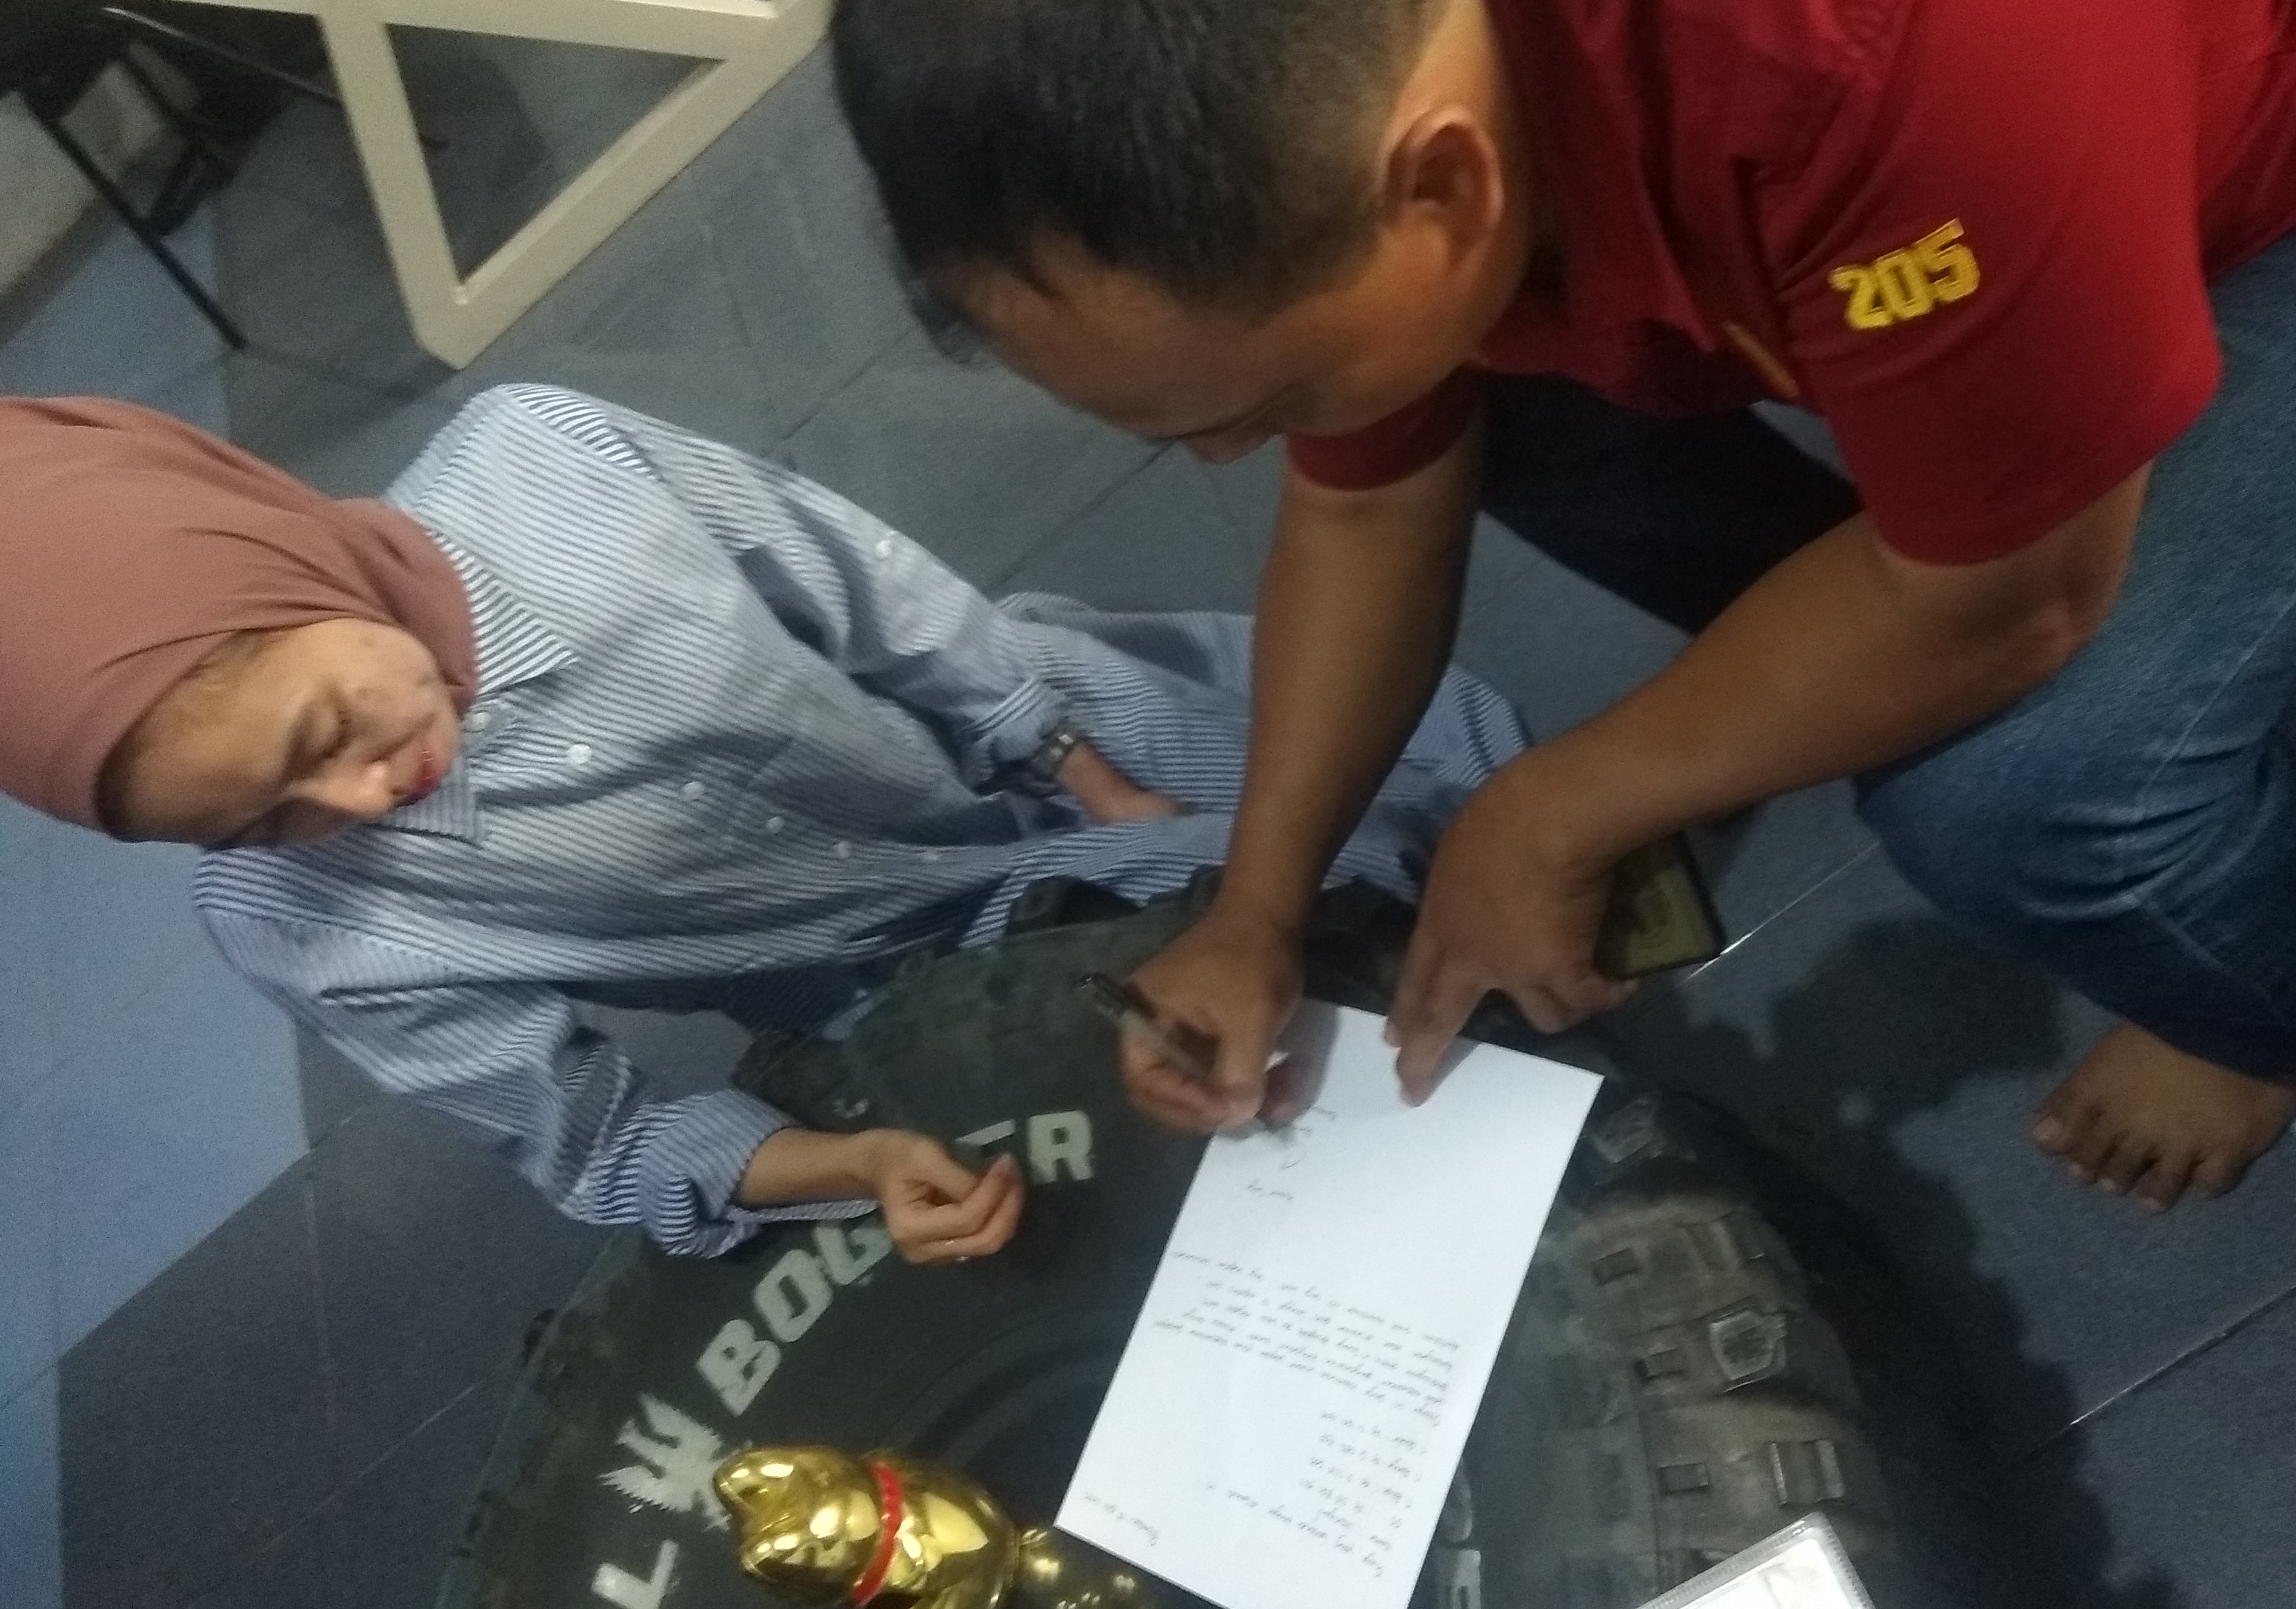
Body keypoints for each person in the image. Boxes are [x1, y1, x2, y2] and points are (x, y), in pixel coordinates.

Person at [826, 0, 2296, 1208]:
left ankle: (2292, 979)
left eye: (1260, 400)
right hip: (2037, 100)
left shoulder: (1886, 5)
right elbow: (1370, 501)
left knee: (2013, 791)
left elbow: (2018, 596)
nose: (1237, 461)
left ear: (1444, 178)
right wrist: (1256, 907)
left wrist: (1557, 801)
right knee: (1483, 413)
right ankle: (1869, 597)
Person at [0, 386, 1522, 1259]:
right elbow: (605, 1141)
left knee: (1403, 801)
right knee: (1235, 1168)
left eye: (320, 733)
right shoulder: (293, 926)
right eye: (262, 823)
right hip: (902, 985)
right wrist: (860, 1162)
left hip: (1023, 747)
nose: (351, 801)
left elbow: (876, 603)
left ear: (275, 550)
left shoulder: (543, 463)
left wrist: (1099, 785)